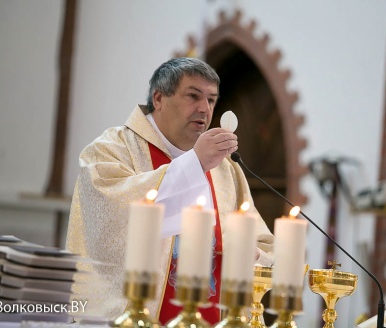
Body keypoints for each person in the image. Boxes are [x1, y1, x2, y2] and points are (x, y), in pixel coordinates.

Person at [66, 57, 274, 324]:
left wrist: (253, 255)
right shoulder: (110, 150)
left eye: (211, 100)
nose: (204, 109)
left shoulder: (226, 170)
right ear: (158, 98)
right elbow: (108, 223)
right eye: (193, 96)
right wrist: (195, 163)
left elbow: (263, 243)